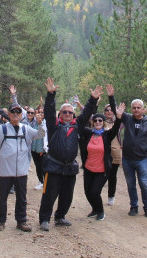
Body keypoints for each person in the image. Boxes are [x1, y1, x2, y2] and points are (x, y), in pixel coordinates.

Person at [38, 78, 101, 231]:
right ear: (60, 114)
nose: (67, 114)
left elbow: (86, 113)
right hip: (54, 166)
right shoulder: (54, 125)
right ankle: (44, 219)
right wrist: (51, 95)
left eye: (70, 112)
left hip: (69, 167)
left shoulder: (77, 125)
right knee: (49, 194)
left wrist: (93, 99)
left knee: (67, 195)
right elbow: (48, 110)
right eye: (64, 112)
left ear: (73, 115)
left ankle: (60, 216)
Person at [0, 87, 45, 232]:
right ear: (9, 114)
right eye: (13, 112)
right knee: (2, 198)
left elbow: (40, 134)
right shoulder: (2, 129)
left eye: (18, 112)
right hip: (5, 171)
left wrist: (41, 123)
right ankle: (0, 221)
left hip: (22, 171)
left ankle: (21, 221)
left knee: (22, 198)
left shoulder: (26, 129)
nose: (16, 114)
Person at [79, 97, 123, 220]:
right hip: (89, 168)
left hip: (102, 170)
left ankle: (101, 211)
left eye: (100, 120)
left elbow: (116, 127)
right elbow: (81, 123)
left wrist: (118, 116)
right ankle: (95, 208)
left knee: (94, 192)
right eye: (95, 120)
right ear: (92, 122)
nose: (98, 122)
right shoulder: (88, 133)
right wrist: (93, 105)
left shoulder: (107, 135)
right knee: (88, 193)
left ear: (103, 123)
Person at [115, 92, 147, 217]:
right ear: (131, 109)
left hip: (141, 159)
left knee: (144, 183)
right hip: (127, 159)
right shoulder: (127, 118)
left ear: (142, 109)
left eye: (138, 107)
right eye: (134, 108)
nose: (136, 110)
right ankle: (134, 206)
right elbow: (116, 111)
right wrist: (112, 96)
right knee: (130, 184)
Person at [103, 102, 123, 206]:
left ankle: (111, 196)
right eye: (107, 110)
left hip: (115, 151)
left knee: (112, 175)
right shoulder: (100, 121)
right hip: (102, 152)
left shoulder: (119, 122)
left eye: (111, 110)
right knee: (102, 174)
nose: (109, 112)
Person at [26, 104, 48, 190]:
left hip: (42, 149)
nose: (40, 114)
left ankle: (46, 183)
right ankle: (40, 182)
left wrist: (45, 149)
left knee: (43, 167)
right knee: (37, 166)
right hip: (33, 149)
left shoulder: (47, 123)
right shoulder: (33, 122)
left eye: (42, 112)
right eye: (38, 112)